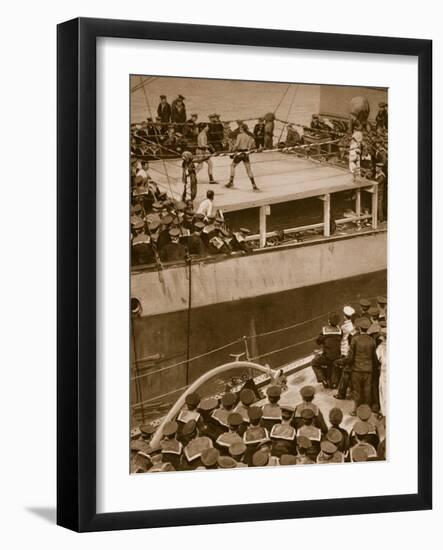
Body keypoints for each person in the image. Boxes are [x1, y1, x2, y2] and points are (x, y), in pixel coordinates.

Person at [341, 317, 378, 415]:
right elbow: (374, 358)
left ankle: (356, 410)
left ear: (360, 328)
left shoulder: (355, 339)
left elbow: (350, 358)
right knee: (367, 390)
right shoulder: (372, 341)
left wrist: (342, 362)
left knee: (357, 391)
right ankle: (367, 410)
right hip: (368, 370)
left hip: (357, 370)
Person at [311, 312, 342, 388]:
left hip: (327, 357)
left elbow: (318, 341)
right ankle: (334, 381)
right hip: (338, 356)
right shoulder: (340, 331)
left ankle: (322, 379)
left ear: (329, 321)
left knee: (314, 362)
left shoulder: (324, 331)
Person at [225, 124, 259, 191]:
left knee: (232, 166)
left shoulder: (239, 135)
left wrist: (232, 152)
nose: (239, 129)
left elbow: (236, 145)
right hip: (246, 153)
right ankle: (254, 185)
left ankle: (231, 182)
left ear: (242, 129)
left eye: (240, 128)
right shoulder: (249, 137)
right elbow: (250, 147)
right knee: (248, 169)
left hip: (239, 153)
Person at [334, 306, 356, 400]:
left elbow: (339, 335)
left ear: (345, 316)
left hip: (344, 350)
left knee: (345, 371)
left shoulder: (344, 327)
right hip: (350, 350)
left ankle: (341, 392)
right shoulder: (353, 325)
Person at [377, 328, 387, 417]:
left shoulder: (381, 347)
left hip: (384, 372)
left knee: (383, 391)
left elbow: (377, 359)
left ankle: (384, 412)